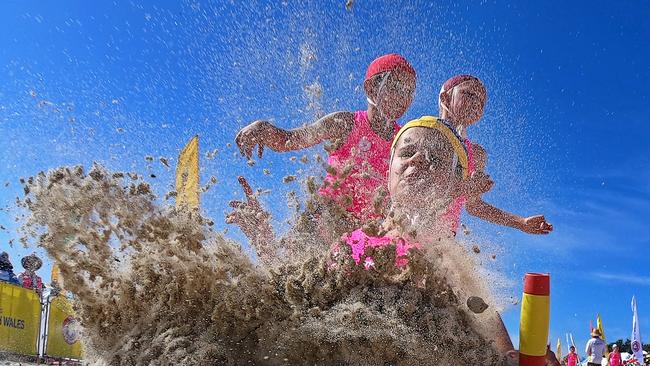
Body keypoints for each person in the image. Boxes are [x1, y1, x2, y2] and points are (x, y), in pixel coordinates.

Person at [228, 116, 561, 365]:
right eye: (408, 153)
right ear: (388, 171)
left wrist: (524, 360)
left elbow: (498, 350)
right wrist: (263, 241)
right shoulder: (353, 241)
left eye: (435, 159)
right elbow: (296, 297)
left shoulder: (452, 261)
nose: (418, 160)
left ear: (453, 187)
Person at [235, 53, 417, 221]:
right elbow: (290, 140)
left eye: (409, 91)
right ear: (370, 89)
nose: (404, 97)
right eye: (396, 86)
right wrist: (264, 129)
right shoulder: (346, 123)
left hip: (368, 230)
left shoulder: (403, 139)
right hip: (327, 217)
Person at [438, 75, 553, 235]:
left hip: (443, 240)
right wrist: (462, 188)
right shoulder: (427, 132)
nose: (475, 103)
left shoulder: (476, 154)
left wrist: (521, 223)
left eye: (481, 102)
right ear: (445, 97)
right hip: (409, 227)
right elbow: (418, 187)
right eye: (469, 94)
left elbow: (474, 206)